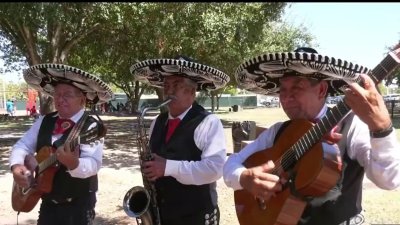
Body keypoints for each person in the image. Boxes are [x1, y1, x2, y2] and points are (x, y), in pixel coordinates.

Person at [223, 47, 400, 225]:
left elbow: (389, 181)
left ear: (322, 90)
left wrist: (382, 129)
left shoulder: (352, 126)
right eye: (282, 90)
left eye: (296, 87)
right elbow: (231, 163)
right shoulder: (278, 131)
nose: (286, 98)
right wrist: (243, 178)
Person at [130, 56, 230, 225]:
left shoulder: (209, 122)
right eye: (166, 86)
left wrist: (168, 167)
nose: (168, 91)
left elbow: (215, 169)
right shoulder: (157, 122)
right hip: (162, 214)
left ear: (191, 92)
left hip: (195, 216)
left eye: (175, 85)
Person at [9, 64, 113, 225]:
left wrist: (74, 164)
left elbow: (94, 164)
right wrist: (16, 166)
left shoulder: (91, 127)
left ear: (82, 99)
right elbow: (22, 145)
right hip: (47, 203)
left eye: (67, 94)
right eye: (57, 94)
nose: (60, 99)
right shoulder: (45, 120)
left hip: (78, 207)